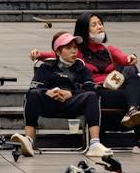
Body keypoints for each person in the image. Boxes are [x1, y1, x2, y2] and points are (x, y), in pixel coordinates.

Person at [26, 14, 140, 150]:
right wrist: (38, 54)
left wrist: (131, 58)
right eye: (94, 25)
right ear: (84, 30)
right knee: (120, 96)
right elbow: (58, 54)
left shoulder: (109, 50)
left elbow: (125, 59)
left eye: (100, 23)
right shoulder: (77, 51)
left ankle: (132, 111)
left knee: (134, 76)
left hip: (113, 91)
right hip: (95, 90)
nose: (99, 27)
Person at [11, 31, 112, 159]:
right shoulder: (46, 67)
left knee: (92, 96)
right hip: (50, 103)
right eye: (69, 48)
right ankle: (29, 140)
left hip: (72, 103)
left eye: (75, 48)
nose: (74, 51)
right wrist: (47, 92)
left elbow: (90, 88)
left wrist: (71, 93)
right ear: (58, 52)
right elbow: (34, 87)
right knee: (33, 95)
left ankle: (94, 144)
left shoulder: (82, 68)